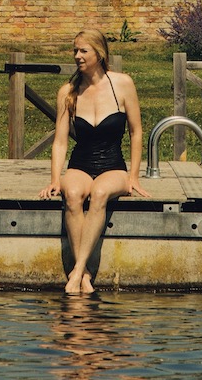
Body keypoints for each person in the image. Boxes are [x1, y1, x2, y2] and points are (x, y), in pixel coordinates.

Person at [39, 28, 149, 294]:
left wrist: (134, 177)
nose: (77, 56)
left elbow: (136, 132)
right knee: (72, 194)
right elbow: (60, 142)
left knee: (99, 193)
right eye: (75, 50)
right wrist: (55, 179)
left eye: (83, 50)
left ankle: (77, 270)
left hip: (113, 166)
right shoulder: (68, 91)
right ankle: (85, 274)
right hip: (80, 164)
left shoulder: (122, 83)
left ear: (99, 54)